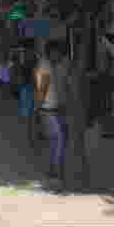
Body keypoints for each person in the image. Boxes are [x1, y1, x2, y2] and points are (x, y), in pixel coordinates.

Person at [35, 41, 70, 187]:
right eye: (57, 52)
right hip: (48, 110)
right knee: (59, 140)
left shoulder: (52, 65)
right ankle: (56, 174)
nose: (60, 55)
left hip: (53, 109)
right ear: (51, 52)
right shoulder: (45, 66)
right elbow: (42, 89)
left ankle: (53, 171)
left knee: (55, 141)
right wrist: (38, 109)